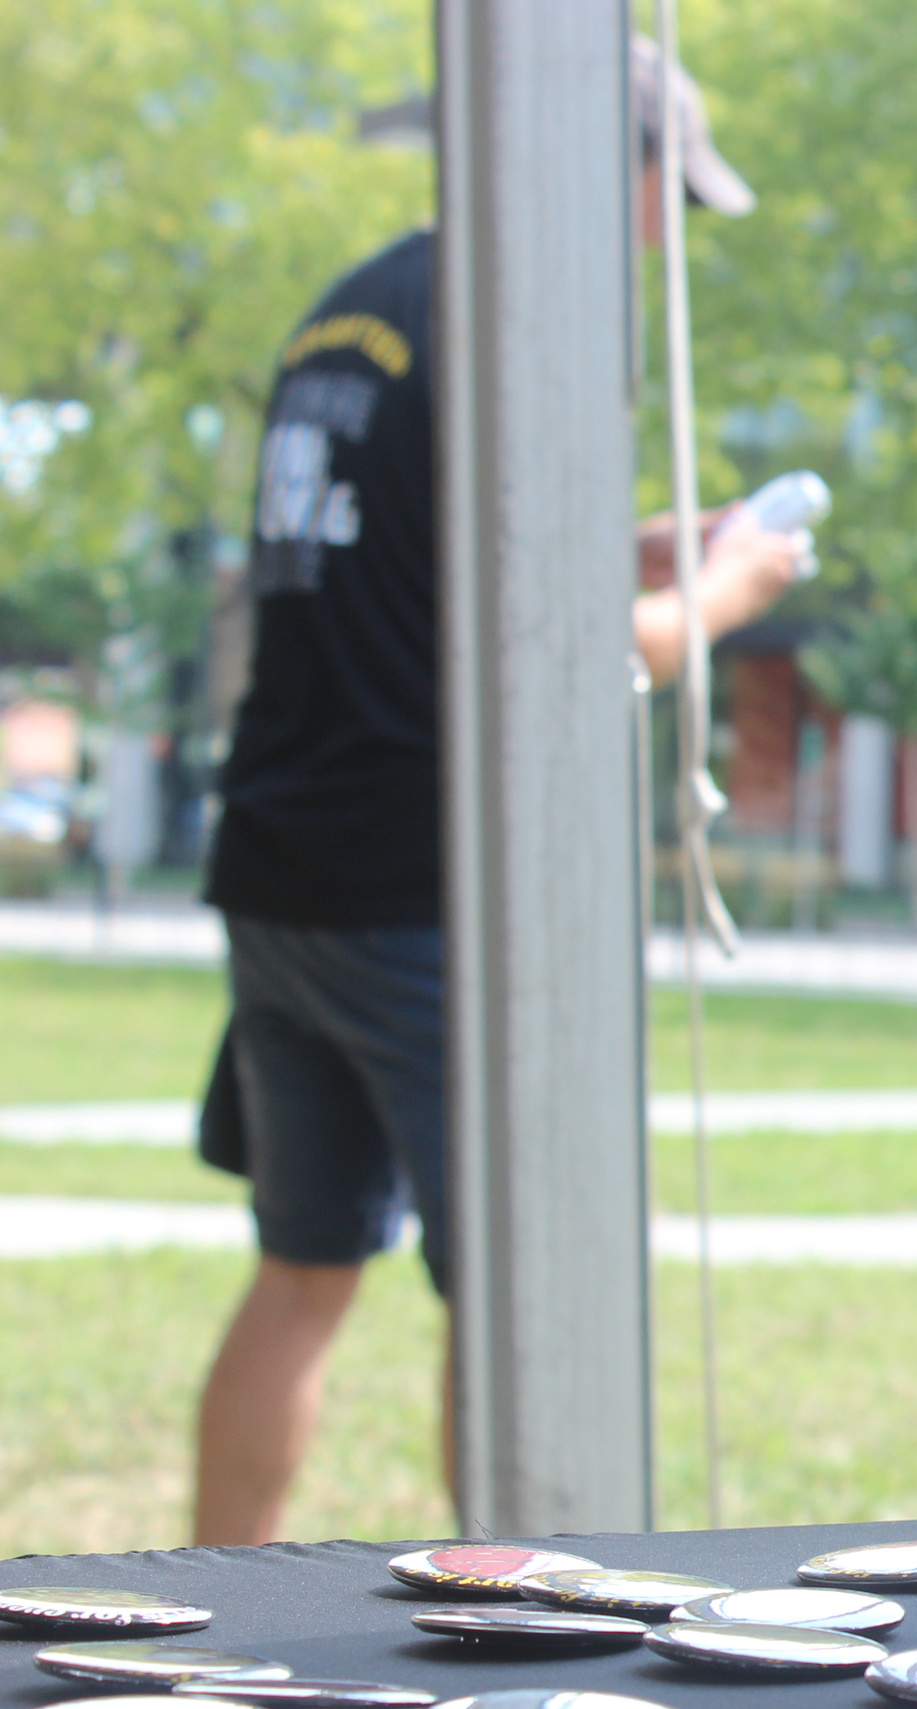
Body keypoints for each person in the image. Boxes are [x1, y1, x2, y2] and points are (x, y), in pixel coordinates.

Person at [190, 39, 805, 1548]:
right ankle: (499, 1618)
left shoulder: (354, 308)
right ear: (606, 172)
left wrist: (628, 537)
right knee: (514, 1295)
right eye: (670, 196)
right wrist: (721, 593)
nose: (664, 239)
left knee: (303, 1269)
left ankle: (199, 1601)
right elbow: (549, 659)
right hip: (423, 880)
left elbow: (415, 568)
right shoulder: (515, 319)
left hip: (281, 865)